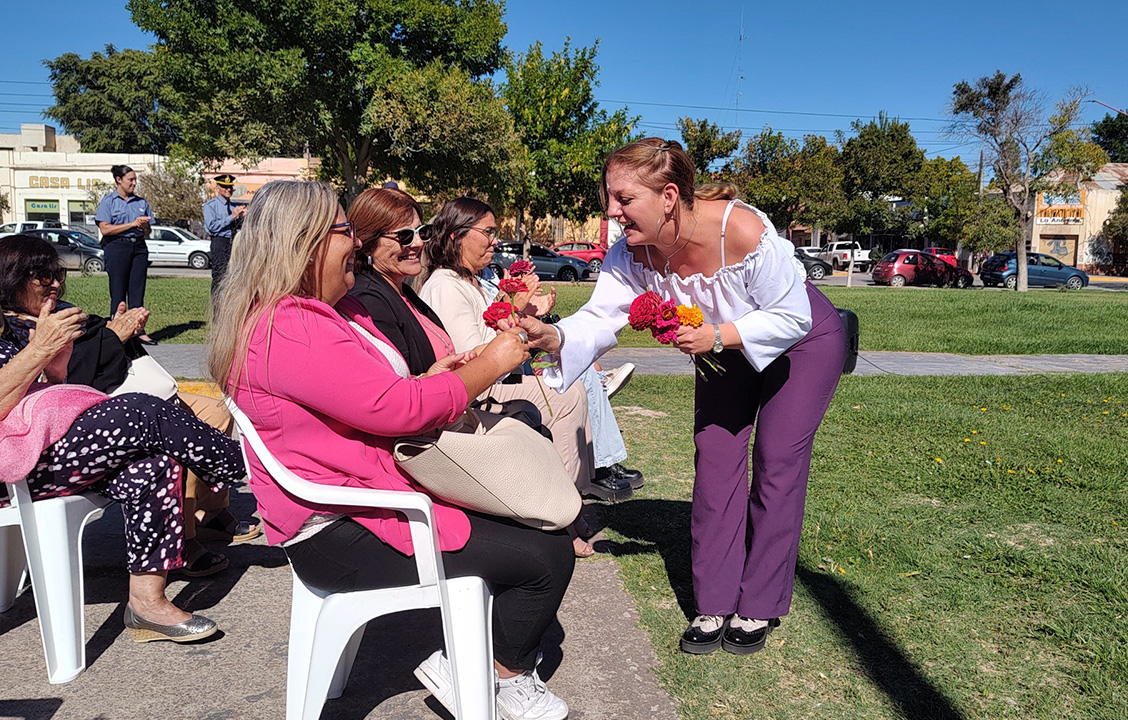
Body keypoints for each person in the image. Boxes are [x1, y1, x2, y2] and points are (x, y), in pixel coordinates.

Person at [207, 181, 574, 720]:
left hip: (352, 505)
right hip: (339, 530)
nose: (353, 243)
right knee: (546, 554)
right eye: (342, 231)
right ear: (303, 244)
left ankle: (486, 662)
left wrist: (431, 377)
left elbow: (368, 396)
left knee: (530, 527)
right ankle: (498, 676)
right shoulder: (291, 326)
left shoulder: (294, 315)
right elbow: (396, 409)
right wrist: (492, 364)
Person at [516, 138, 847, 655]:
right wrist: (555, 337)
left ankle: (758, 602)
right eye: (610, 197)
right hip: (722, 345)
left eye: (624, 199)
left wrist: (717, 336)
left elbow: (791, 316)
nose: (611, 211)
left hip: (802, 341)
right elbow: (604, 316)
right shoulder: (631, 252)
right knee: (715, 457)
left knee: (777, 459)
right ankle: (714, 602)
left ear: (668, 196)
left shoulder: (742, 230)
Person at [0, 220, 246, 643]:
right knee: (142, 410)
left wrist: (66, 348)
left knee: (155, 465)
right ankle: (248, 470)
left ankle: (146, 604)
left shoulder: (1, 326)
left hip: (36, 454)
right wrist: (39, 350)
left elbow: (51, 387)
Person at [0, 233, 260, 578]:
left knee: (215, 412)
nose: (54, 282)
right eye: (42, 276)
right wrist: (114, 336)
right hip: (91, 418)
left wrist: (118, 329)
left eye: (58, 273)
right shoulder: (12, 330)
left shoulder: (59, 313)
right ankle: (193, 529)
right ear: (12, 279)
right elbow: (71, 379)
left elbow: (94, 353)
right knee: (173, 435)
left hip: (126, 396)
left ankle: (207, 511)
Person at [416, 198, 640, 509]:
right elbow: (474, 358)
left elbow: (499, 332)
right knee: (569, 395)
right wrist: (516, 308)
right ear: (457, 235)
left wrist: (529, 313)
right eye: (488, 232)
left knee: (575, 379)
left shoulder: (477, 281)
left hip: (502, 376)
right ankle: (566, 502)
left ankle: (580, 487)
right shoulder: (446, 285)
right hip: (478, 388)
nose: (495, 241)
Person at [94, 164, 156, 345]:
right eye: (130, 180)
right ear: (118, 180)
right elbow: (105, 229)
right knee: (118, 290)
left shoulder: (141, 202)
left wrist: (144, 226)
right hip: (117, 247)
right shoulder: (108, 201)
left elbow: (147, 231)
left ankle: (138, 329)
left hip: (138, 247)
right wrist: (132, 224)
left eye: (135, 179)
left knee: (137, 290)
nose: (134, 183)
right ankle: (117, 330)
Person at [202, 174, 246, 296]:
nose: (228, 190)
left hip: (234, 242)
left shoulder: (234, 206)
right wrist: (232, 217)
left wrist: (242, 218)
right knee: (219, 277)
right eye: (225, 187)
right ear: (218, 188)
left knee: (233, 275)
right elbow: (212, 227)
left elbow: (238, 226)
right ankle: (217, 309)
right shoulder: (211, 206)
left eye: (230, 187)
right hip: (220, 242)